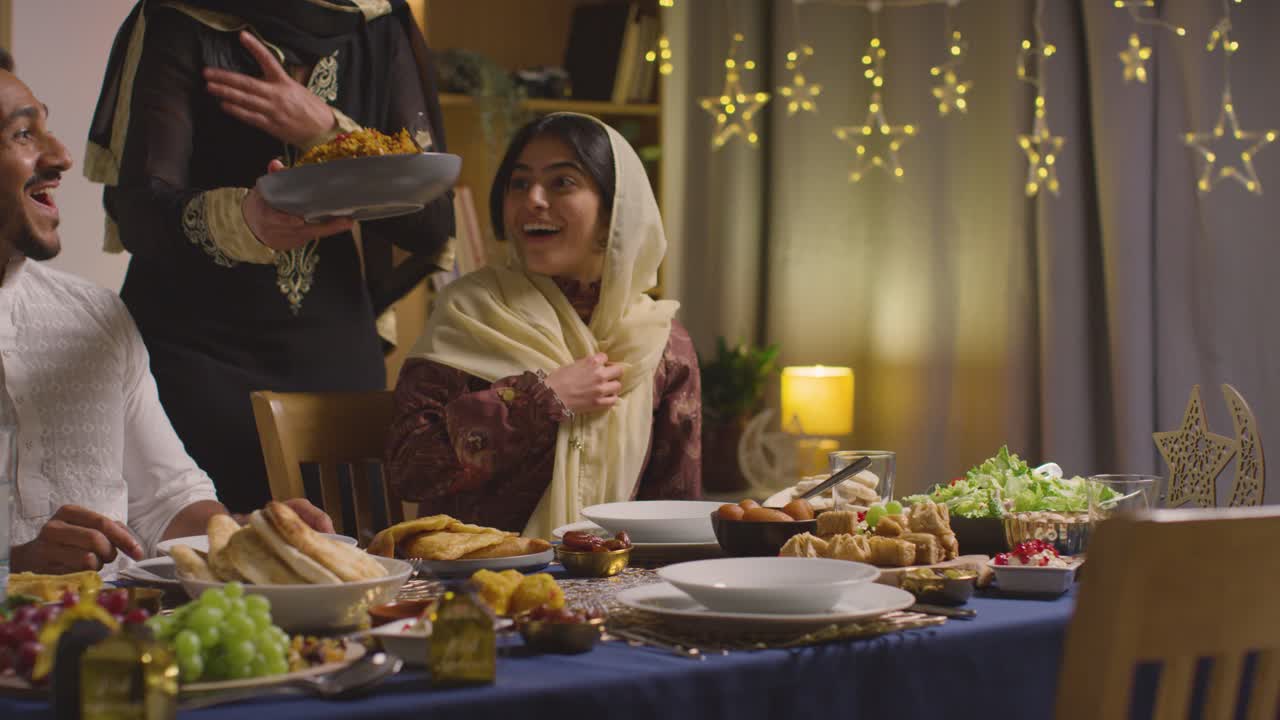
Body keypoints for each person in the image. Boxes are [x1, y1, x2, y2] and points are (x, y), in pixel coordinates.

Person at [85, 1, 455, 512]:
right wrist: (246, 221)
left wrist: (326, 130)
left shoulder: (377, 22)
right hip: (197, 356)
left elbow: (432, 220)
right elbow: (139, 214)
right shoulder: (181, 15)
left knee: (351, 562)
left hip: (333, 356)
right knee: (205, 567)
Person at [0, 69, 333, 575]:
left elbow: (167, 501)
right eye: (23, 134)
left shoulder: (96, 317)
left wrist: (249, 535)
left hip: (128, 642)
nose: (61, 157)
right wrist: (15, 564)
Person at [386, 113, 701, 537]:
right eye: (519, 184)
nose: (533, 199)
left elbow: (674, 513)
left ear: (615, 213)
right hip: (477, 584)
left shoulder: (660, 343)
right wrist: (539, 400)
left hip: (609, 585)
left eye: (562, 183)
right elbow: (411, 468)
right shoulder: (472, 312)